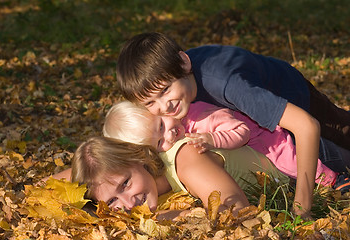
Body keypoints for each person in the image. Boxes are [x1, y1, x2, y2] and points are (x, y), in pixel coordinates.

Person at [115, 32, 350, 217]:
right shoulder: (178, 86)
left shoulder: (228, 85)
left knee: (341, 137)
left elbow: (306, 126)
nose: (164, 106)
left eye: (165, 91)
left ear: (184, 63)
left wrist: (302, 207)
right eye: (150, 102)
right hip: (259, 123)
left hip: (295, 100)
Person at [103, 100, 349, 190]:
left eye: (161, 126)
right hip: (259, 152)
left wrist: (213, 139)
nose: (168, 136)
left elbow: (240, 132)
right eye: (158, 143)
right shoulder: (179, 135)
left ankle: (334, 181)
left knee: (296, 163)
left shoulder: (199, 116)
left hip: (269, 140)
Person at [70, 136, 288, 216]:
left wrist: (177, 216)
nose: (129, 203)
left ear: (138, 158)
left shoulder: (186, 160)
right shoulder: (149, 183)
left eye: (125, 184)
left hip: (295, 173)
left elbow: (238, 212)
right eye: (111, 201)